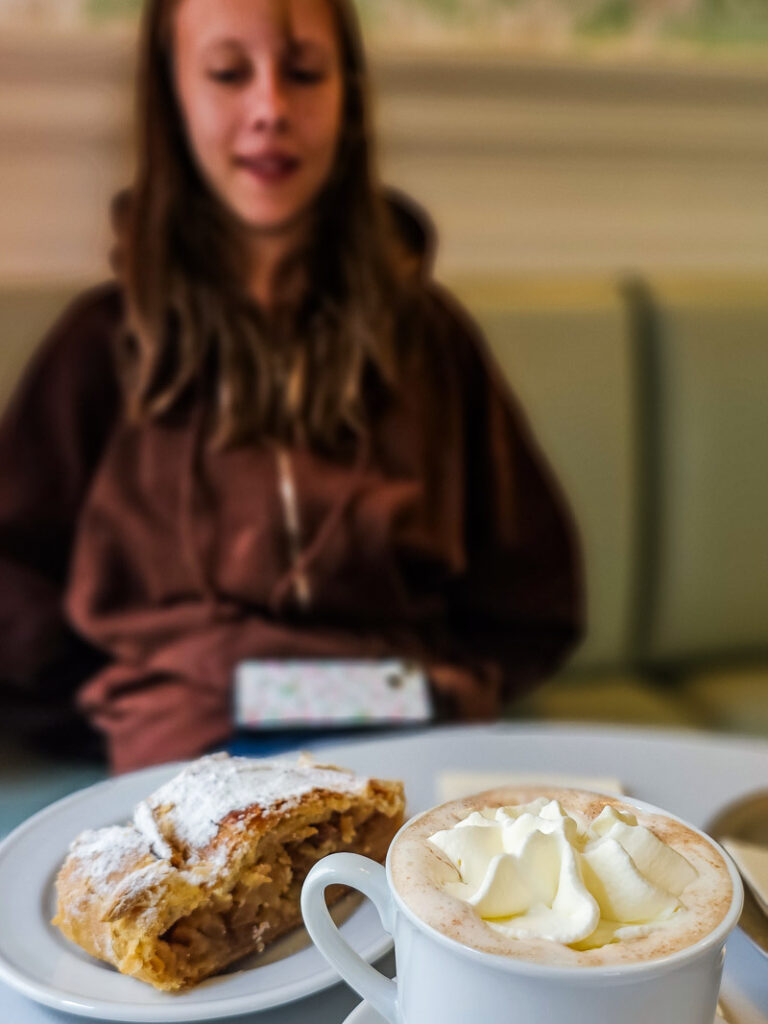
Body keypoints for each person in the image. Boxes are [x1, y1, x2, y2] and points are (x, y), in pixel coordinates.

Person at [0, 0, 583, 774]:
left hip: (400, 727)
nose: (271, 108)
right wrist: (92, 696)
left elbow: (533, 595)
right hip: (184, 739)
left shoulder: (429, 338)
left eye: (304, 72)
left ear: (350, 95)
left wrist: (455, 688)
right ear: (172, 95)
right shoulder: (102, 344)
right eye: (228, 73)